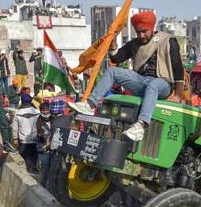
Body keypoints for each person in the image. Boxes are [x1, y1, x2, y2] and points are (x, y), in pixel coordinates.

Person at [68, 10, 184, 141]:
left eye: (144, 31)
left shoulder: (168, 40)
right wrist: (112, 43)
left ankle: (140, 125)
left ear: (152, 28)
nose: (141, 35)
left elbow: (178, 67)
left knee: (153, 85)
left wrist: (178, 95)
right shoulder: (134, 44)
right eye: (138, 32)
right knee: (112, 71)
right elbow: (117, 58)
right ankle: (90, 105)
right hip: (142, 80)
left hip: (163, 83)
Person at [12, 93, 39, 172]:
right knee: (34, 155)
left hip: (23, 139)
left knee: (25, 156)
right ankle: (33, 169)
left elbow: (15, 127)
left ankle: (27, 170)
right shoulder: (37, 111)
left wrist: (15, 138)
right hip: (34, 138)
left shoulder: (18, 113)